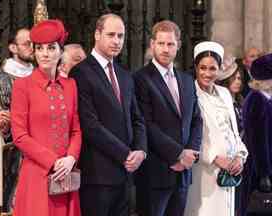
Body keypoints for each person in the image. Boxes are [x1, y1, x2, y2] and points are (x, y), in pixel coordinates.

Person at [69, 13, 147, 216]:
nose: (116, 41)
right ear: (97, 34)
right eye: (111, 35)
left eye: (120, 36)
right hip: (98, 175)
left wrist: (141, 150)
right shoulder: (81, 72)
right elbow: (89, 124)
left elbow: (137, 118)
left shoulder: (125, 75)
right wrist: (125, 154)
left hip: (126, 176)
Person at [11, 19, 81, 216]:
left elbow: (76, 129)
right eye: (39, 48)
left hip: (66, 175)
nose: (45, 53)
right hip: (36, 176)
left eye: (51, 48)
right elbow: (19, 135)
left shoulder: (71, 86)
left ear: (60, 51)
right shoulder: (22, 86)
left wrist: (70, 158)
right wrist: (54, 161)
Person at [133, 20, 202, 216]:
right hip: (156, 172)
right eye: (161, 43)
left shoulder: (187, 80)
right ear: (152, 44)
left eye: (170, 44)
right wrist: (178, 153)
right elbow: (146, 124)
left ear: (178, 46)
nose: (165, 49)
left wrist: (191, 152)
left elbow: (197, 120)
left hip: (183, 173)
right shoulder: (140, 79)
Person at [184, 41, 248, 216]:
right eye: (202, 68)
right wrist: (214, 158)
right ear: (196, 68)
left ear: (219, 69)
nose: (207, 73)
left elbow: (233, 131)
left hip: (229, 170)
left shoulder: (225, 93)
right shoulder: (189, 92)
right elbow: (188, 134)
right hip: (204, 171)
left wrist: (240, 156)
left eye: (212, 68)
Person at [0, 27, 34, 211]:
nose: (32, 47)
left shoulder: (40, 75)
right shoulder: (0, 80)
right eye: (27, 43)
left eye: (34, 43)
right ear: (13, 47)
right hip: (13, 155)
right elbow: (0, 120)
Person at [241, 53, 272, 216]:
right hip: (258, 167)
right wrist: (264, 173)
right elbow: (257, 141)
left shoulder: (265, 98)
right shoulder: (256, 100)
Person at [217, 55, 244, 136]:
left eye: (239, 78)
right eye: (234, 78)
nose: (237, 82)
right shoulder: (221, 103)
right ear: (226, 80)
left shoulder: (240, 101)